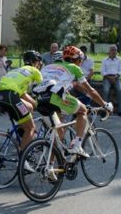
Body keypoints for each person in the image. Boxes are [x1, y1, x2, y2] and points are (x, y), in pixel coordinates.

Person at [34, 46, 112, 179]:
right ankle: (77, 144)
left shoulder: (48, 67)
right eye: (81, 60)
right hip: (56, 98)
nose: (81, 63)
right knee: (83, 111)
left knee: (58, 131)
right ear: (78, 60)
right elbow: (90, 91)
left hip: (40, 99)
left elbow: (58, 85)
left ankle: (51, 167)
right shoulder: (74, 67)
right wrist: (104, 104)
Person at [0, 51, 43, 151]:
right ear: (34, 62)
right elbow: (44, 87)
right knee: (31, 128)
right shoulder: (35, 70)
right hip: (11, 95)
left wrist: (37, 105)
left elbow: (24, 95)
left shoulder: (16, 71)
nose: (39, 65)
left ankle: (22, 133)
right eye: (38, 62)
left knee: (29, 107)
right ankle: (22, 160)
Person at [100, 45, 121, 117]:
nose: (114, 51)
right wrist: (109, 78)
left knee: (120, 91)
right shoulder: (104, 60)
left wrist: (115, 77)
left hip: (116, 78)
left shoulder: (119, 60)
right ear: (109, 51)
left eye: (115, 50)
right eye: (112, 50)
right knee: (105, 91)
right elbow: (102, 71)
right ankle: (105, 110)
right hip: (107, 78)